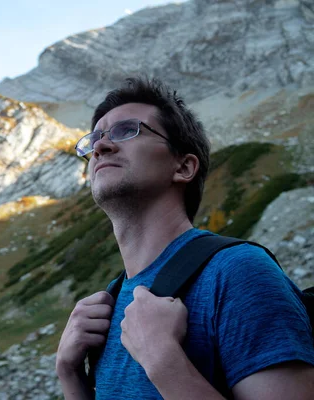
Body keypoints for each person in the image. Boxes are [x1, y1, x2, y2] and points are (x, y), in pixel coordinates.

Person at [55, 77, 314, 399]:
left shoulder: (238, 272)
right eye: (94, 139)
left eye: (127, 130)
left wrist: (163, 360)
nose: (100, 147)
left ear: (184, 167)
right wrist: (70, 376)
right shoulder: (110, 303)